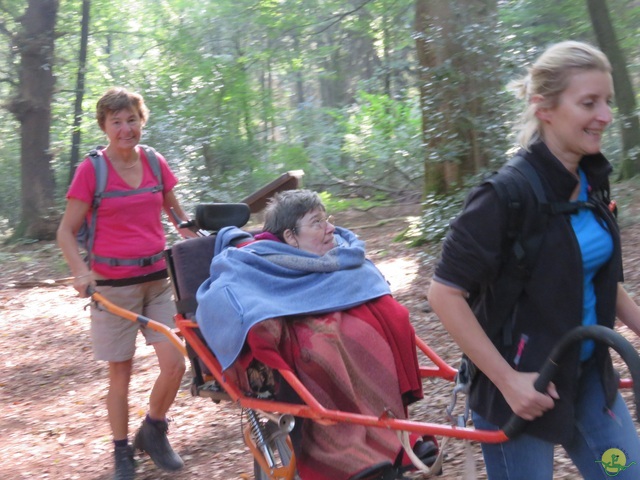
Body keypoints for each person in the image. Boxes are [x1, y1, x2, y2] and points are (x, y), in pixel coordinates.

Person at [427, 40, 640, 479]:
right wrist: (508, 381)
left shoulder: (590, 181)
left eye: (607, 102)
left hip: (589, 383)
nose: (604, 115)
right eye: (589, 103)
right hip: (522, 395)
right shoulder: (504, 196)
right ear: (544, 107)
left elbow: (597, 276)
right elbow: (444, 293)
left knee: (623, 472)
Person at [195, 189, 438, 480]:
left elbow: (368, 283)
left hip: (335, 326)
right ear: (290, 237)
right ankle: (343, 454)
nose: (330, 228)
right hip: (299, 340)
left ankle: (395, 441)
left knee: (371, 334)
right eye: (317, 222)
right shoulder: (249, 261)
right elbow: (228, 299)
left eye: (327, 219)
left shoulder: (342, 256)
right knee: (320, 349)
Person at [57, 87, 195, 480]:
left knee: (175, 362)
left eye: (131, 119)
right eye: (116, 121)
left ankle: (153, 429)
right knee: (122, 372)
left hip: (157, 282)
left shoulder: (154, 162)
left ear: (141, 120)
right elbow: (65, 232)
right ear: (104, 126)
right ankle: (121, 451)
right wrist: (81, 271)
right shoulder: (92, 170)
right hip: (113, 288)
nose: (125, 128)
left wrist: (207, 245)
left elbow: (178, 218)